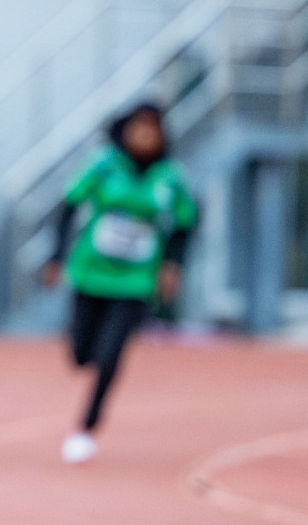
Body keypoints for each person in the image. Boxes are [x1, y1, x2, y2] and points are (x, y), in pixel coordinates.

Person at [40, 102, 198, 464]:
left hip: (136, 281)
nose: (145, 136)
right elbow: (68, 205)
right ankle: (89, 352)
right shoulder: (103, 164)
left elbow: (186, 223)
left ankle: (87, 426)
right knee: (81, 354)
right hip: (92, 272)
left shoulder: (171, 177)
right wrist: (56, 257)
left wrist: (172, 265)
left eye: (153, 130)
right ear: (124, 132)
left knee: (111, 354)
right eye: (138, 128)